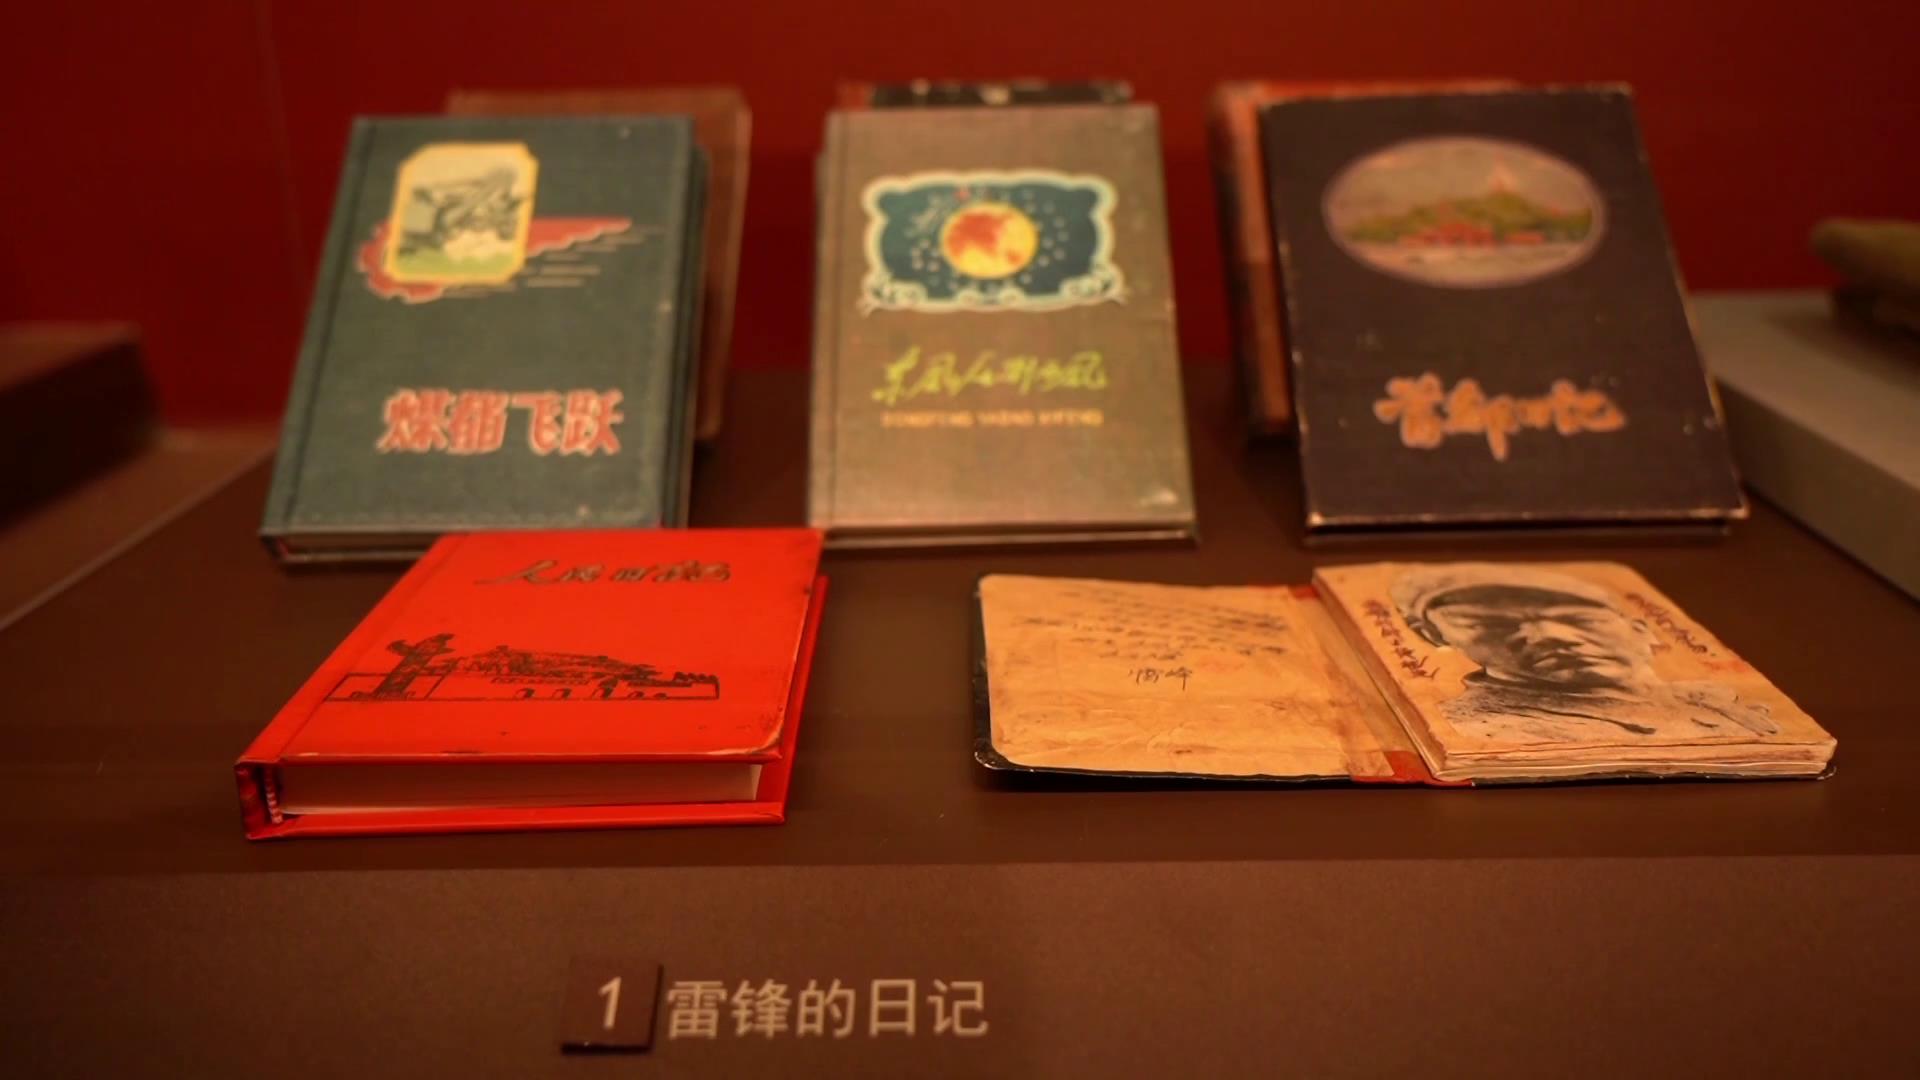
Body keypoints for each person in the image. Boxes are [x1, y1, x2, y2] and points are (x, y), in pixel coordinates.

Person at [1390, 565, 1776, 743]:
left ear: (1639, 628)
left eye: (1577, 619)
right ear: (1433, 635)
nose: (1548, 636)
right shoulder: (1492, 729)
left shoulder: (1709, 698)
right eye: (1490, 623)